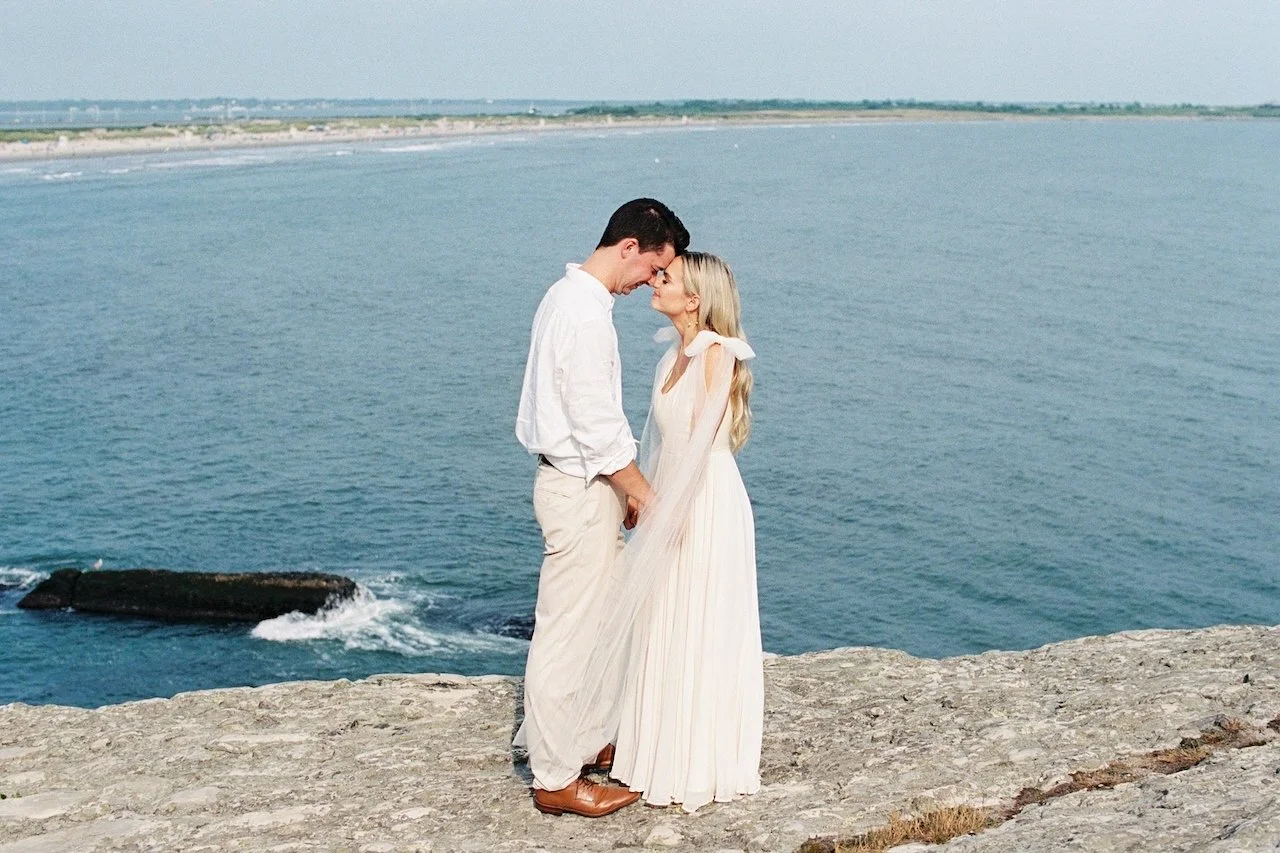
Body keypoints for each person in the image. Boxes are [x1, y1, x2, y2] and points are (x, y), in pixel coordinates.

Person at [565, 252, 762, 814]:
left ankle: (692, 760)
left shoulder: (716, 356)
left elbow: (700, 446)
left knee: (695, 618)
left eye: (666, 278)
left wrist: (671, 513)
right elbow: (658, 439)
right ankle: (652, 745)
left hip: (705, 503)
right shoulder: (670, 355)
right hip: (670, 496)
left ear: (695, 299)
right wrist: (639, 494)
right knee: (662, 619)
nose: (655, 281)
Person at [514, 198, 690, 817]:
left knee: (593, 624)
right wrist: (642, 494)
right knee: (566, 634)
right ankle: (556, 778)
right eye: (652, 269)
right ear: (630, 248)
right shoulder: (584, 317)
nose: (650, 283)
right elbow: (596, 426)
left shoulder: (565, 298)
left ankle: (584, 741)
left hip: (582, 485)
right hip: (580, 487)